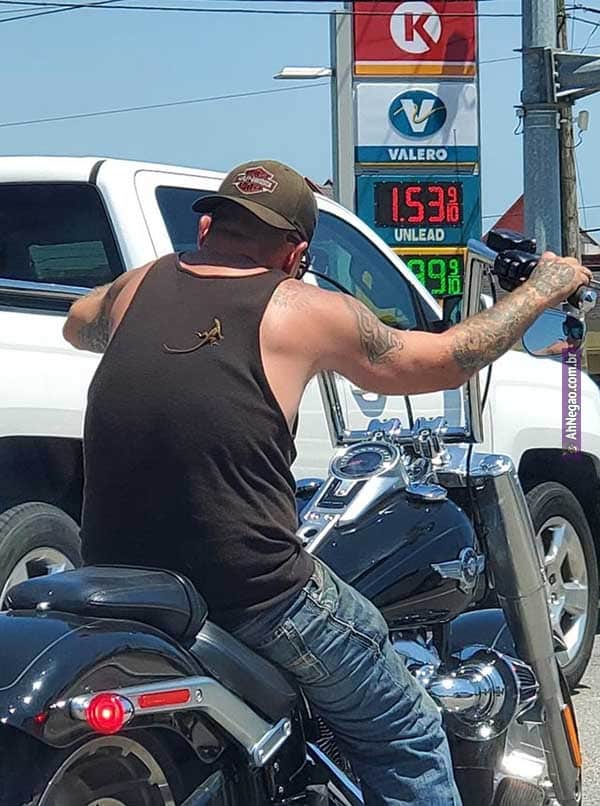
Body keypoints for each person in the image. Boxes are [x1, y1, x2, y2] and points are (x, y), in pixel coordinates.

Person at [63, 159, 592, 806]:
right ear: (297, 253)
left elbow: (78, 320)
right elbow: (448, 359)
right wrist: (541, 289)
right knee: (407, 726)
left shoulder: (137, 286)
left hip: (116, 577)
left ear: (206, 226)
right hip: (250, 596)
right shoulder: (302, 309)